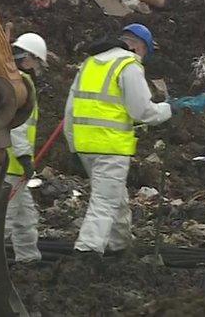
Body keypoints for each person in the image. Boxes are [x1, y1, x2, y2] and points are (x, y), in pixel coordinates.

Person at [65, 23, 178, 257]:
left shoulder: (89, 64)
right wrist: (169, 109)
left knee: (116, 198)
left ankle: (119, 246)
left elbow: (70, 110)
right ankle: (86, 253)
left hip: (86, 145)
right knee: (104, 202)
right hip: (110, 146)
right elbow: (142, 112)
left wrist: (72, 145)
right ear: (139, 47)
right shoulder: (129, 65)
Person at [4, 33, 47, 264]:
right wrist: (23, 157)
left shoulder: (11, 80)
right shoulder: (19, 84)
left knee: (25, 217)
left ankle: (29, 260)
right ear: (28, 58)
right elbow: (17, 124)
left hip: (13, 167)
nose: (38, 68)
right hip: (9, 165)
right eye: (38, 61)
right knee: (4, 219)